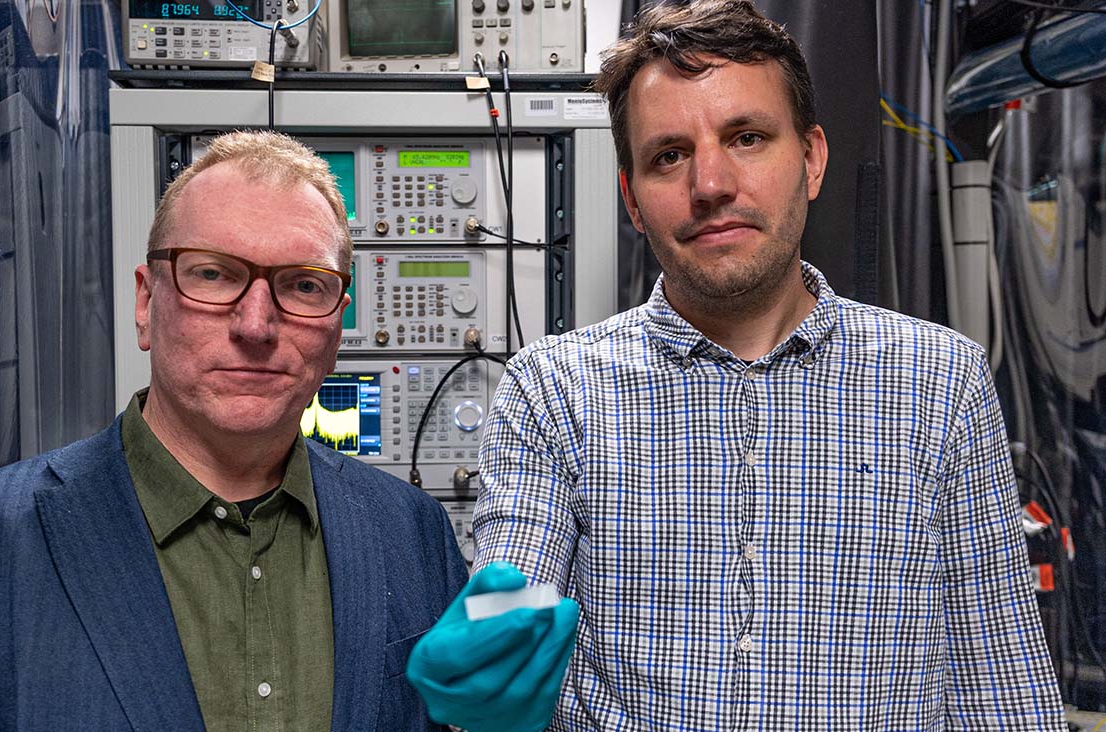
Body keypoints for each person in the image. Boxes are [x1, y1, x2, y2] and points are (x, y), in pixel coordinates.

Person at [408, 1, 1066, 730]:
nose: (711, 183)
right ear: (632, 199)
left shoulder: (940, 381)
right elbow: (514, 596)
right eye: (668, 155)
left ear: (811, 159)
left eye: (746, 137)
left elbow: (1002, 684)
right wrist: (490, 673)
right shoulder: (555, 389)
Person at [0, 130, 469, 731]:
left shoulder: (411, 532)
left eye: (303, 286)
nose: (256, 325)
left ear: (338, 323)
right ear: (145, 302)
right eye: (213, 275)